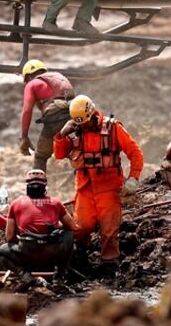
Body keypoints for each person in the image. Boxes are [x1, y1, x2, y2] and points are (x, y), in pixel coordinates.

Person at [53, 95, 144, 270]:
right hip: (84, 188)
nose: (83, 126)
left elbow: (135, 153)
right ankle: (80, 256)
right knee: (81, 227)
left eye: (85, 122)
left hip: (109, 187)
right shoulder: (74, 130)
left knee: (109, 230)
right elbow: (58, 154)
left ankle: (109, 263)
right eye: (79, 123)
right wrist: (61, 134)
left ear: (92, 114)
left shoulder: (113, 128)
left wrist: (133, 178)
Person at [0, 169, 76, 286]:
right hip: (52, 252)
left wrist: (25, 242)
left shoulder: (15, 204)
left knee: (1, 252)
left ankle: (25, 275)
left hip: (26, 252)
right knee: (69, 235)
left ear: (27, 185)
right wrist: (58, 227)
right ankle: (59, 276)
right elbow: (72, 226)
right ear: (45, 185)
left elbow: (9, 237)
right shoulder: (56, 202)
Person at [19, 59, 76, 170]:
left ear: (27, 77)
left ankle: (37, 186)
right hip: (74, 113)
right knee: (78, 148)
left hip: (56, 118)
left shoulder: (32, 84)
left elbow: (26, 110)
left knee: (41, 156)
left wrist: (24, 137)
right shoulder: (57, 77)